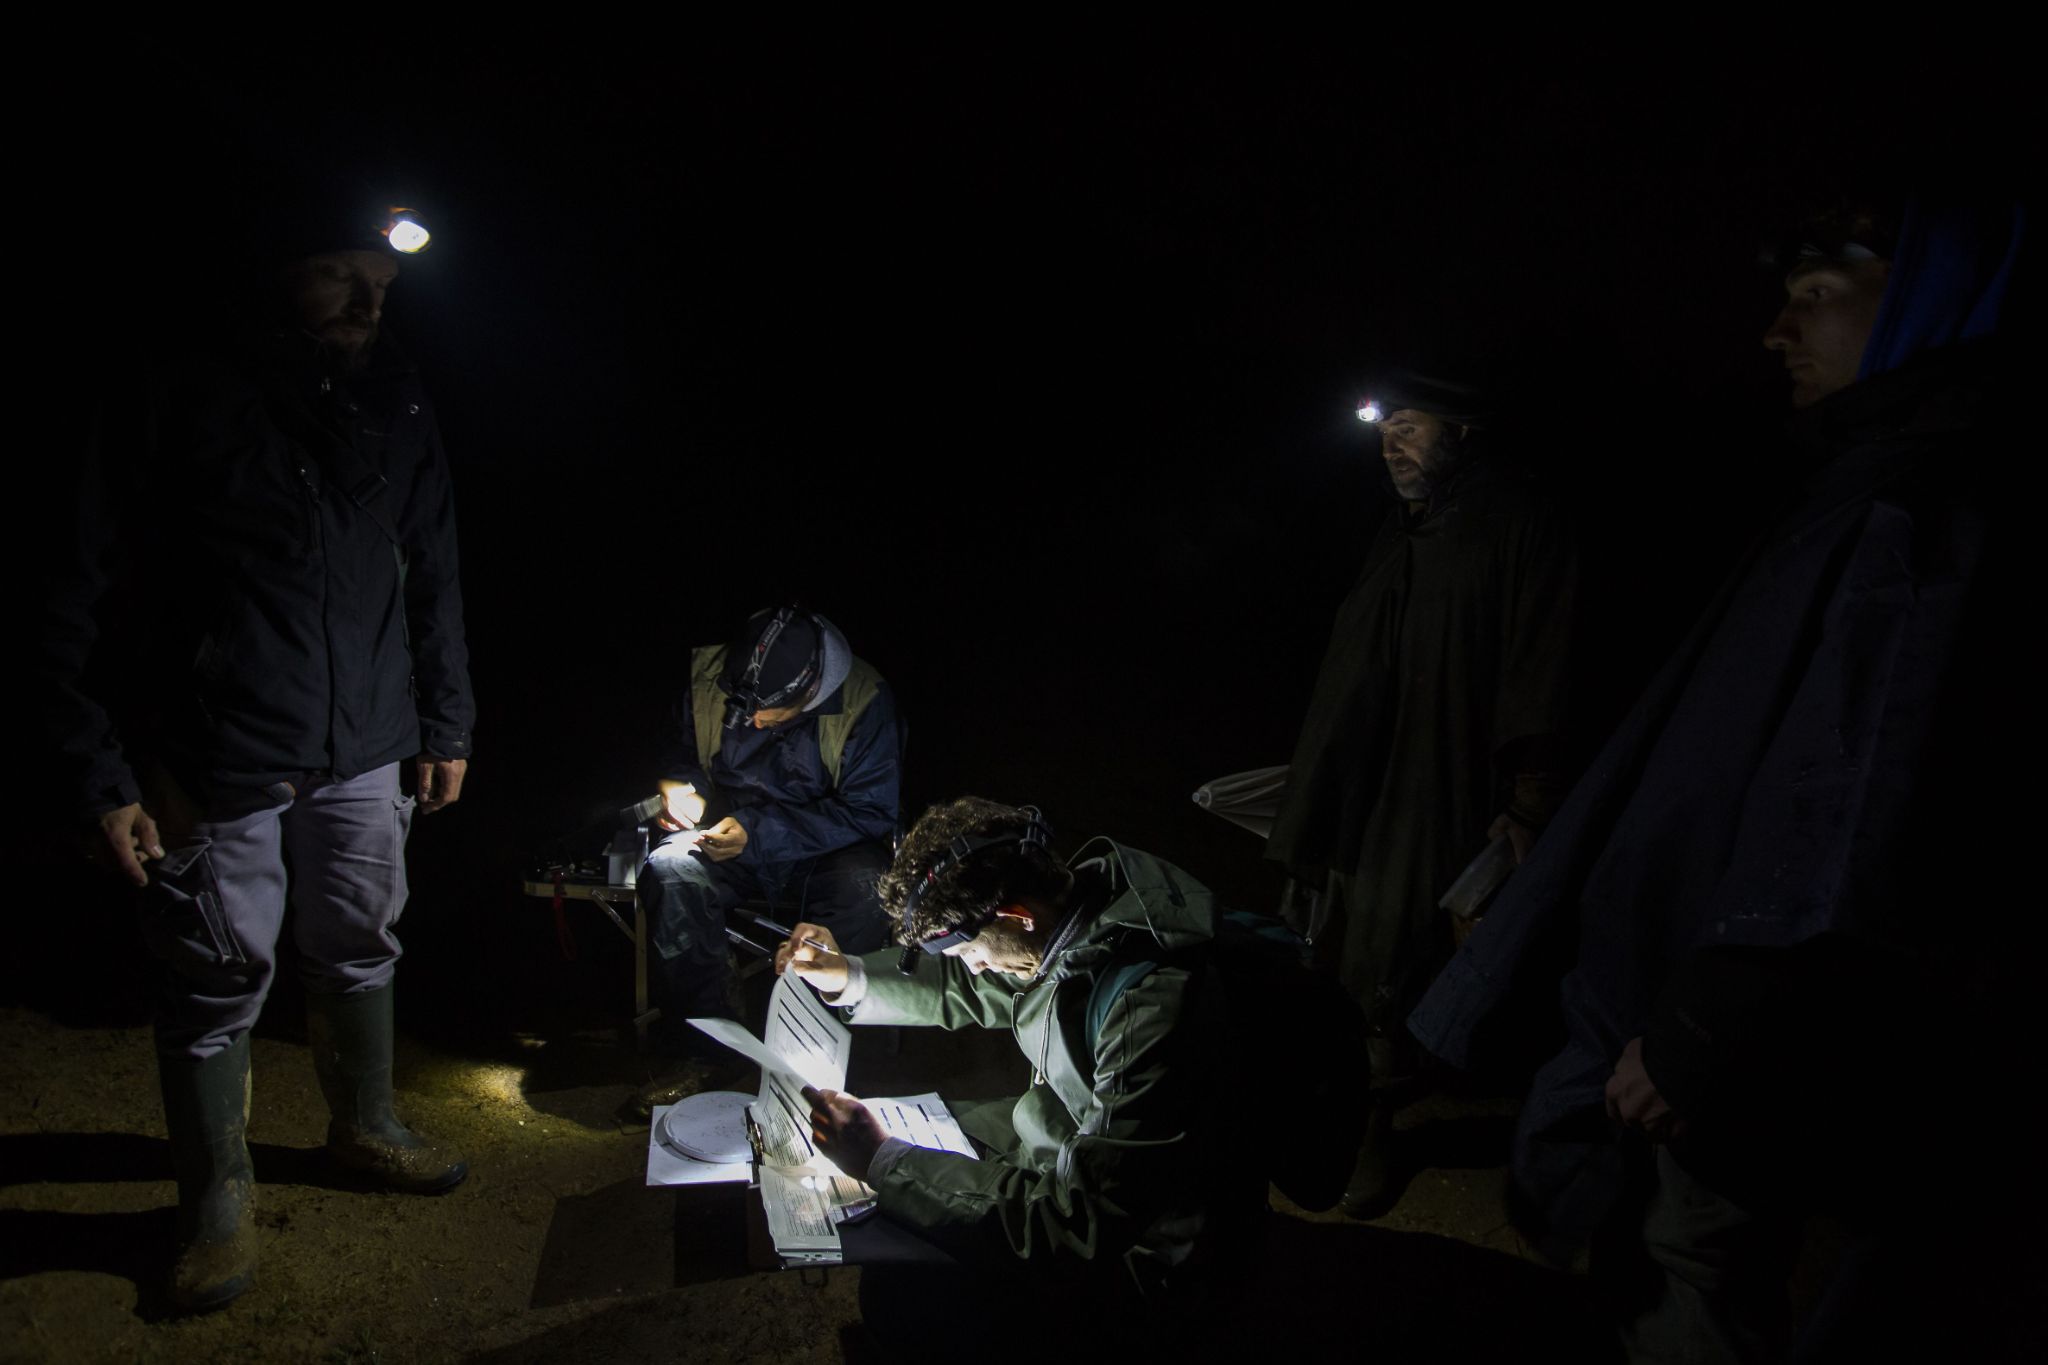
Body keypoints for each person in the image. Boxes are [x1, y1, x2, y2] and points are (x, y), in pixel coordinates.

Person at [1408, 200, 2030, 1362]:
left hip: (1705, 1028)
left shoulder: (1923, 509)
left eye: (1812, 294)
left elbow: (1850, 808)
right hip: (1669, 988)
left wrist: (1704, 1028)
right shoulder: (1862, 481)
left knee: (1685, 1276)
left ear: (1928, 300)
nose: (1773, 331)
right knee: (1634, 1254)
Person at [37, 194, 476, 1313]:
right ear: (275, 269)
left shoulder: (396, 394)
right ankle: (215, 1203)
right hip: (216, 747)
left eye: (384, 279)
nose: (369, 299)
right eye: (339, 273)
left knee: (362, 939)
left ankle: (364, 1125)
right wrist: (99, 773)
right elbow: (68, 591)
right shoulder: (176, 386)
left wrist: (445, 720)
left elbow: (432, 564)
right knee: (215, 973)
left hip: (368, 741)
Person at [774, 797, 1265, 1344]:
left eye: (964, 949)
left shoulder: (1147, 1011)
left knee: (903, 1296)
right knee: (925, 1165)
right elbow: (978, 982)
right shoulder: (1073, 916)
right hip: (1072, 1145)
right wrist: (850, 975)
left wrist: (884, 1159)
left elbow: (1078, 1222)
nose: (966, 963)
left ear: (1017, 916)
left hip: (1148, 1247)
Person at [1264, 368, 1578, 1215]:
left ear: (1464, 426)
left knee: (1390, 955)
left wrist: (1530, 799)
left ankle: (1372, 1128)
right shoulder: (1404, 528)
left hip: (1437, 783)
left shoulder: (1519, 521)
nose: (1390, 439)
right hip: (1363, 777)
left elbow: (1542, 666)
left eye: (1411, 421)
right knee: (1320, 937)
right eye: (1381, 423)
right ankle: (1317, 1105)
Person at [626, 606, 900, 1117]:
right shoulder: (710, 677)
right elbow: (681, 755)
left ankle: (806, 1057)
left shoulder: (865, 700)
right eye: (741, 707)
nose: (749, 722)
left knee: (869, 889)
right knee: (670, 870)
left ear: (809, 694)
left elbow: (870, 811)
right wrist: (682, 790)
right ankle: (708, 1052)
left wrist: (760, 834)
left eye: (765, 715)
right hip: (729, 835)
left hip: (829, 849)